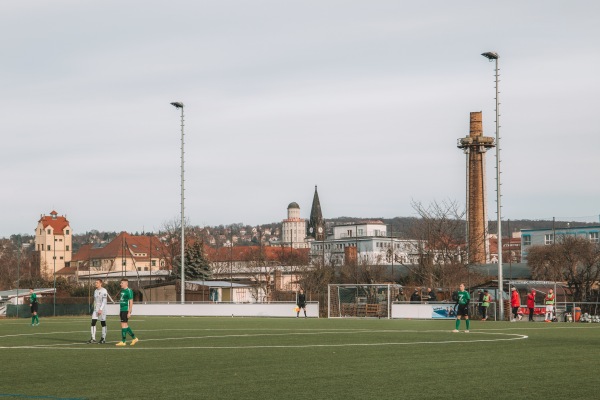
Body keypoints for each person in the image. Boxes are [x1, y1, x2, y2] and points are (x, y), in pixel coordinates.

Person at [116, 278, 138, 346]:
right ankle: (134, 338)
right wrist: (120, 311)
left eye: (122, 283)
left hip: (126, 309)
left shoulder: (129, 291)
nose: (120, 284)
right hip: (122, 310)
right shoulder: (122, 291)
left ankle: (123, 341)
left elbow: (131, 302)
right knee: (124, 325)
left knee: (123, 325)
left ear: (126, 283)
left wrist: (129, 312)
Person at [87, 279, 108, 344]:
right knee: (93, 322)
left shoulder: (104, 290)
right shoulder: (95, 291)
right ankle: (93, 338)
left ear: (100, 283)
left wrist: (101, 309)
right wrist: (94, 308)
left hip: (102, 309)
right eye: (95, 282)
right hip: (96, 309)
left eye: (97, 282)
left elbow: (104, 301)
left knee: (103, 323)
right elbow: (95, 301)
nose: (96, 283)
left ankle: (103, 338)